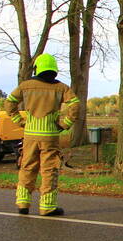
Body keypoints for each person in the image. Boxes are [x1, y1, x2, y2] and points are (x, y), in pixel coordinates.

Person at [5, 53, 80, 216]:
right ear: (54, 70)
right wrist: (65, 124)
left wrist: (20, 121)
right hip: (50, 136)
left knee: (27, 167)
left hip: (30, 135)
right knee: (49, 170)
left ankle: (23, 203)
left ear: (37, 68)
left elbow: (10, 102)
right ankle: (47, 206)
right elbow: (75, 104)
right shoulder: (61, 88)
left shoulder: (26, 86)